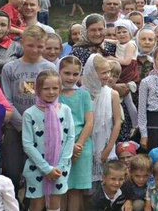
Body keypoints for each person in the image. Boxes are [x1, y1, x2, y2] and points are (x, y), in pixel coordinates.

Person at [1, 26, 56, 193]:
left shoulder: (49, 68)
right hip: (14, 127)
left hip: (41, 127)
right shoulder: (10, 68)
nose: (35, 50)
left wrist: (36, 124)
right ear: (22, 43)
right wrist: (22, 124)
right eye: (30, 45)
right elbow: (6, 99)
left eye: (40, 46)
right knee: (12, 170)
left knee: (38, 169)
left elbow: (53, 98)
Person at [21, 70, 75, 211]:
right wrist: (46, 169)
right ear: (37, 90)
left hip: (59, 168)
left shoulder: (65, 110)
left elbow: (70, 138)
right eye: (46, 88)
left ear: (60, 88)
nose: (51, 92)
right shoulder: (30, 114)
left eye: (55, 88)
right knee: (36, 205)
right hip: (36, 167)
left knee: (55, 204)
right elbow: (27, 144)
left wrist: (60, 166)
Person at [57, 55, 93, 210]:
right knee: (60, 187)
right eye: (66, 73)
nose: (71, 78)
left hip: (81, 145)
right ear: (59, 72)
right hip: (59, 145)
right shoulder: (54, 95)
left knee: (76, 189)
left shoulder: (83, 94)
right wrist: (66, 146)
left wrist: (78, 144)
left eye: (75, 74)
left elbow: (89, 121)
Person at [83, 54, 122, 187]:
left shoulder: (112, 94)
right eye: (103, 73)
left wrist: (109, 148)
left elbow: (117, 122)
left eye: (109, 72)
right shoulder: (82, 94)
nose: (108, 76)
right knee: (87, 189)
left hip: (106, 146)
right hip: (86, 147)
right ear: (92, 73)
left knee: (106, 186)